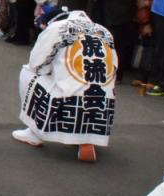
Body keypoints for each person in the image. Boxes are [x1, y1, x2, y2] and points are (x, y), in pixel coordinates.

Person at [12, 9, 117, 162]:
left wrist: (51, 71)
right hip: (103, 104)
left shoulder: (59, 27)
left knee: (28, 71)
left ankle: (35, 133)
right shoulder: (104, 32)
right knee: (97, 85)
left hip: (70, 100)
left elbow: (36, 63)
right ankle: (88, 137)